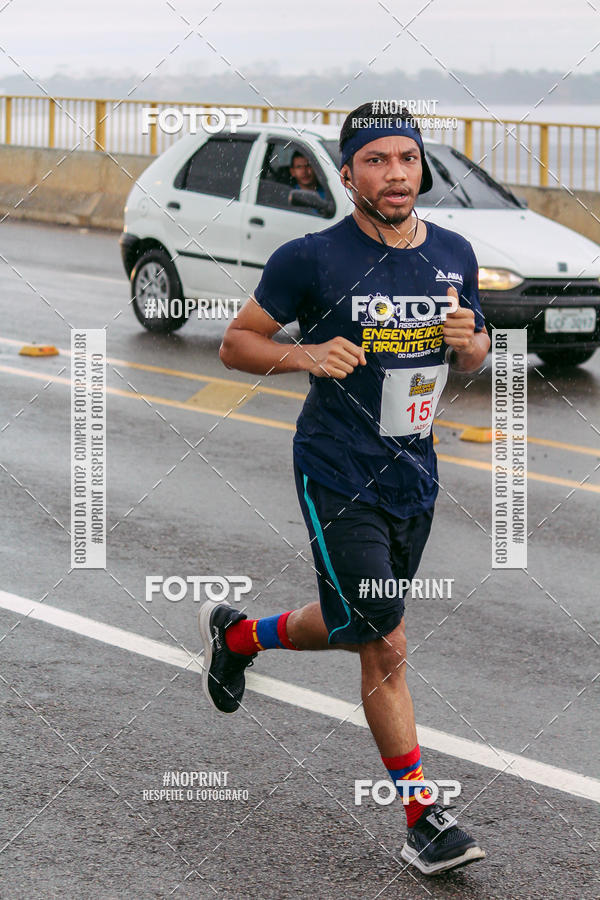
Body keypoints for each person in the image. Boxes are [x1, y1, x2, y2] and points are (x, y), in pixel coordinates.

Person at [199, 101, 490, 877]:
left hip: (414, 472)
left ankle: (238, 636)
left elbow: (473, 351)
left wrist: (474, 346)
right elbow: (236, 342)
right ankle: (424, 816)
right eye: (376, 161)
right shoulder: (312, 258)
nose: (396, 175)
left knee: (357, 621)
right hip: (336, 468)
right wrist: (306, 356)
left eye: (407, 159)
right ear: (348, 171)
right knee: (385, 638)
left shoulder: (454, 252)